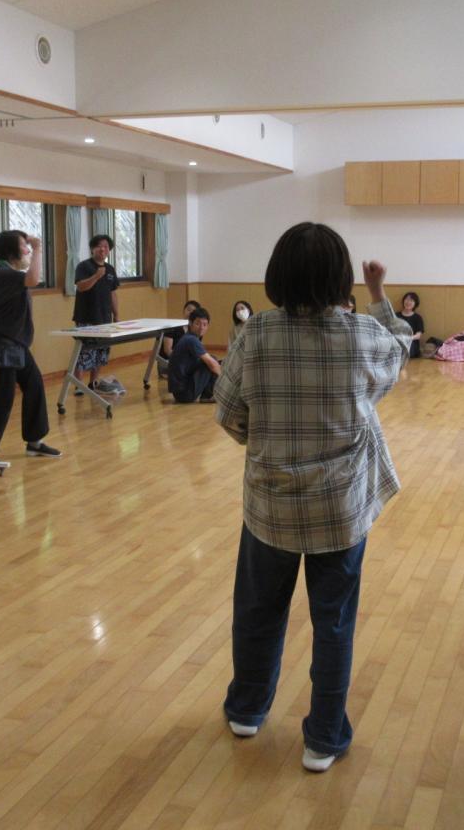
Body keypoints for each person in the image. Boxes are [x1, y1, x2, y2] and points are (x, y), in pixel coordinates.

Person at [214, 222, 410, 774]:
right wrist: (378, 294)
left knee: (257, 611)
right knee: (334, 622)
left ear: (278, 273)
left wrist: (266, 445)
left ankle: (247, 709)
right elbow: (400, 350)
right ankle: (323, 738)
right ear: (339, 277)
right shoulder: (360, 334)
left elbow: (228, 412)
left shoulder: (255, 333)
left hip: (269, 507)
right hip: (339, 510)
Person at [0, 230, 60, 460]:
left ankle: (35, 441)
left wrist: (34, 249)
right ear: (11, 253)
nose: (28, 250)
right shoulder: (3, 274)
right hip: (1, 344)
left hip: (15, 344)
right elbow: (33, 279)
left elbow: (30, 279)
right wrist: (38, 248)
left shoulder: (8, 273)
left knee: (34, 384)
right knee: (3, 398)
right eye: (23, 246)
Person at [71, 233, 122, 395]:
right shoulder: (83, 266)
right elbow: (81, 287)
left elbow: (113, 293)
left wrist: (117, 315)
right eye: (99, 246)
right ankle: (78, 386)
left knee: (101, 352)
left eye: (106, 247)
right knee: (84, 351)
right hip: (86, 316)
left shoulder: (110, 269)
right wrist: (96, 276)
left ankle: (93, 383)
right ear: (92, 249)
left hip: (105, 318)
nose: (102, 249)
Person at [168, 307, 222, 403]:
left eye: (204, 324)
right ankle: (207, 396)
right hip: (184, 394)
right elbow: (212, 364)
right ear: (190, 323)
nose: (201, 327)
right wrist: (228, 383)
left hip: (179, 392)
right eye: (198, 323)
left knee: (213, 361)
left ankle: (207, 395)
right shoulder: (191, 340)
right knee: (211, 361)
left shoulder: (189, 337)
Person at [158, 299, 200, 375]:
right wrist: (184, 360)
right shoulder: (172, 327)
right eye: (188, 310)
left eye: (193, 311)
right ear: (183, 311)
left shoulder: (196, 330)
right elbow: (167, 350)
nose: (190, 313)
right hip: (169, 363)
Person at [398, 291, 424, 359]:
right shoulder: (396, 315)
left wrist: (407, 338)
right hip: (398, 340)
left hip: (411, 342)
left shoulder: (418, 317)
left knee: (407, 349)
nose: (408, 302)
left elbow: (418, 335)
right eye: (407, 299)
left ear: (415, 303)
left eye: (411, 300)